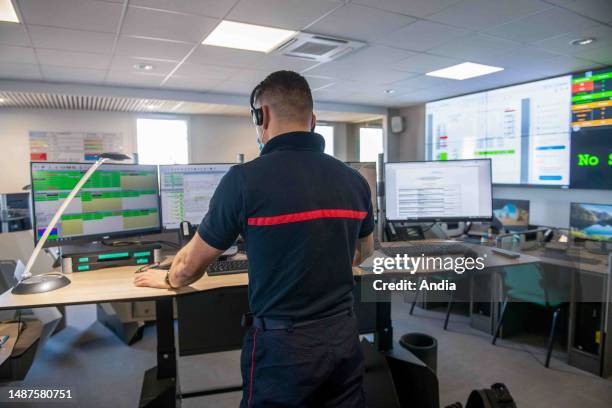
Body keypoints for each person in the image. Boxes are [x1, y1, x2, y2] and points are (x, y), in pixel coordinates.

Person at [134, 70, 374, 407]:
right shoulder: (355, 181)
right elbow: (362, 254)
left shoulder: (244, 181)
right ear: (314, 120)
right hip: (344, 334)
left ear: (262, 115)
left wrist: (169, 277)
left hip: (284, 346)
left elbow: (189, 268)